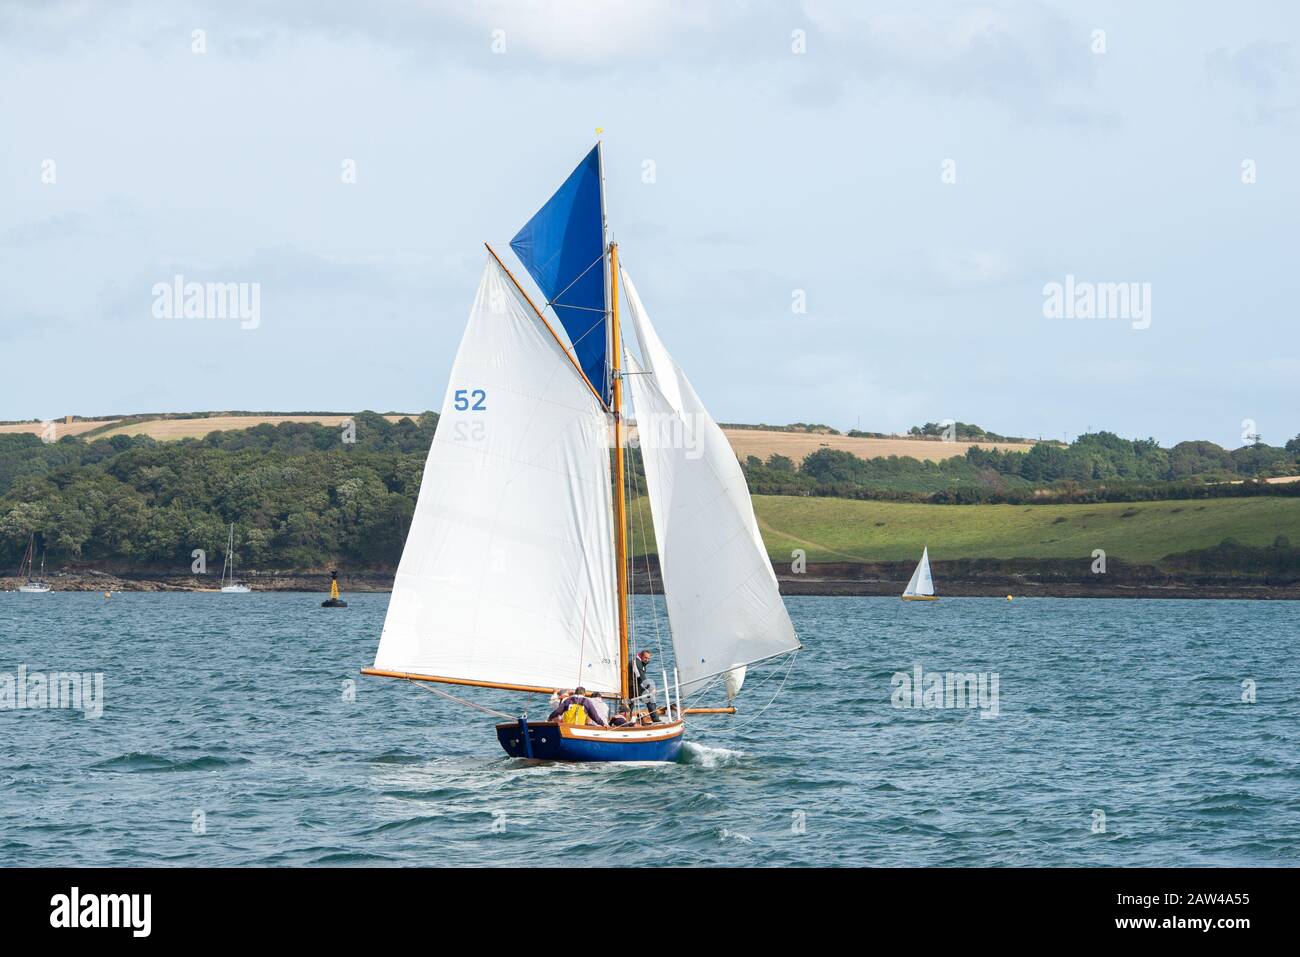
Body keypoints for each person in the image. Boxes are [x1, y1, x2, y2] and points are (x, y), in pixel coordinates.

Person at [628, 650, 659, 722]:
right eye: (645, 658)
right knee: (650, 698)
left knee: (630, 702)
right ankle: (656, 720)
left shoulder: (640, 662)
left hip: (633, 685)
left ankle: (628, 717)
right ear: (641, 656)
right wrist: (651, 689)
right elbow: (642, 677)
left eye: (648, 658)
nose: (647, 660)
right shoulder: (637, 663)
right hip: (633, 686)